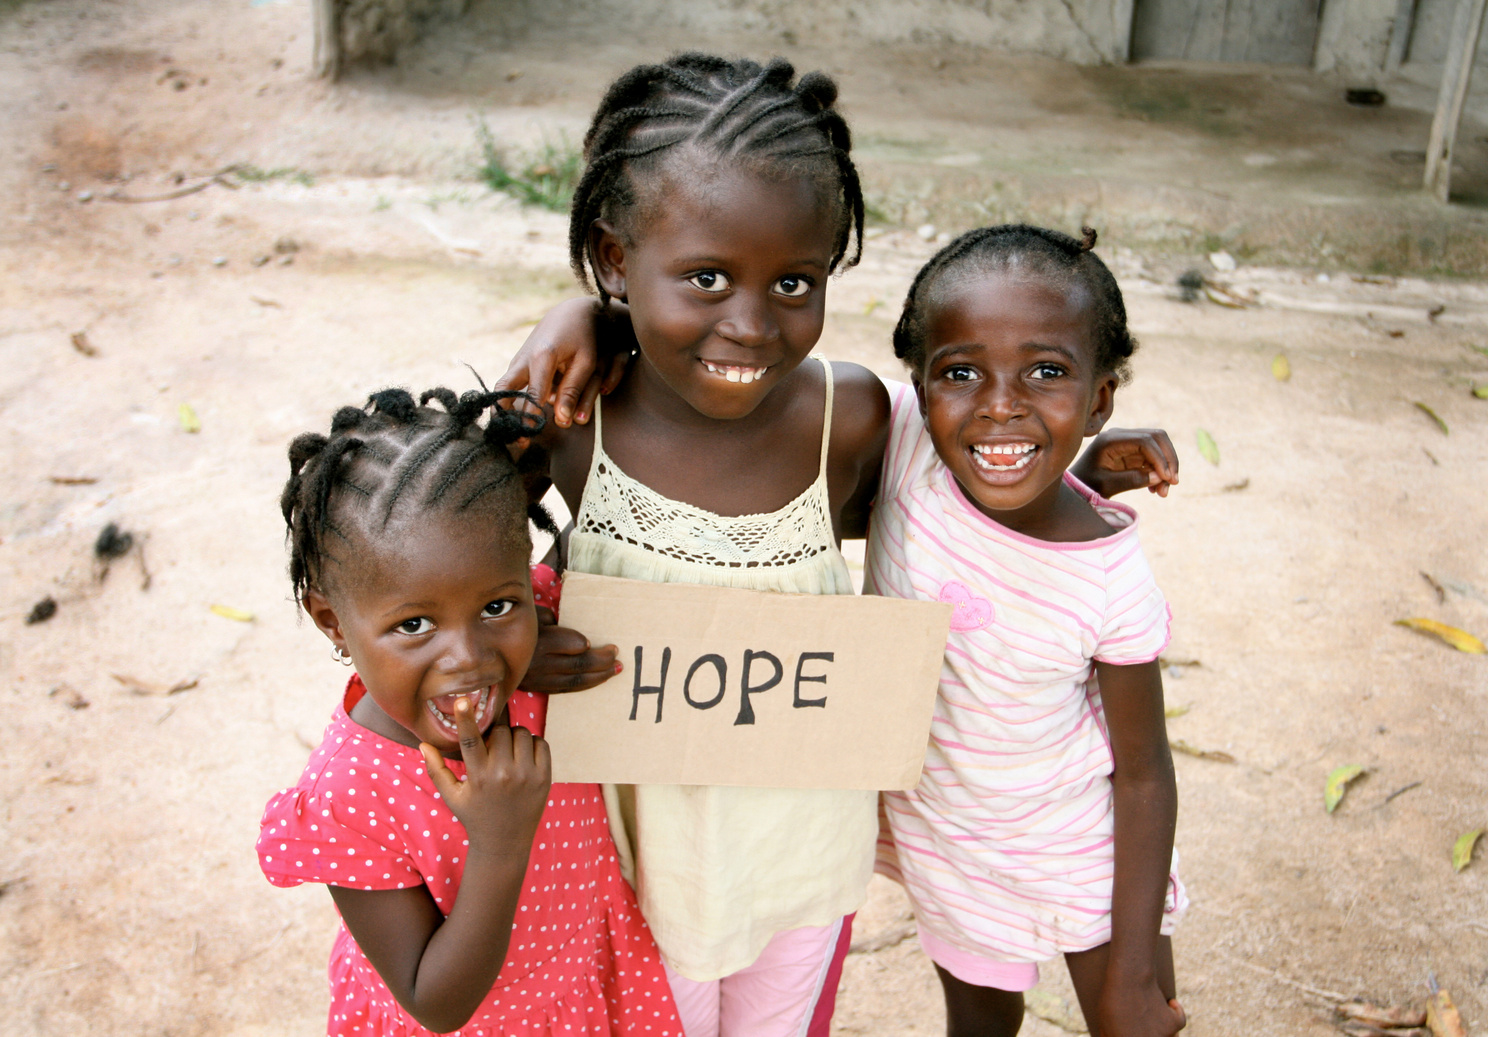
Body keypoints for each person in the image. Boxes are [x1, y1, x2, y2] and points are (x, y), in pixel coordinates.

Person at [500, 53, 1178, 1037]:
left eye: (794, 280)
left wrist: (1085, 464)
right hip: (639, 856)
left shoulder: (850, 418)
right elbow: (461, 586)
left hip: (804, 853)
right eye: (706, 276)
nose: (749, 321)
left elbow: (979, 450)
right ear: (612, 258)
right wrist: (582, 319)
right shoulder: (568, 422)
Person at [256, 386, 683, 1037]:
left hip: (584, 982)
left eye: (495, 607)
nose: (468, 658)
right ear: (332, 623)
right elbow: (434, 1000)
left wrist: (586, 322)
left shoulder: (529, 645)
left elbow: (626, 497)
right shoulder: (351, 793)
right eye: (415, 624)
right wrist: (499, 841)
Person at [866, 224, 1187, 1037]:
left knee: (1132, 1022)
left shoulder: (1107, 573)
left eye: (1046, 372)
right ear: (920, 384)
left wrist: (1135, 969)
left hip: (1081, 852)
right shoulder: (907, 447)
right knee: (976, 1022)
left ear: (1100, 399)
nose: (1000, 402)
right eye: (962, 372)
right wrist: (586, 322)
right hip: (951, 840)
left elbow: (1145, 774)